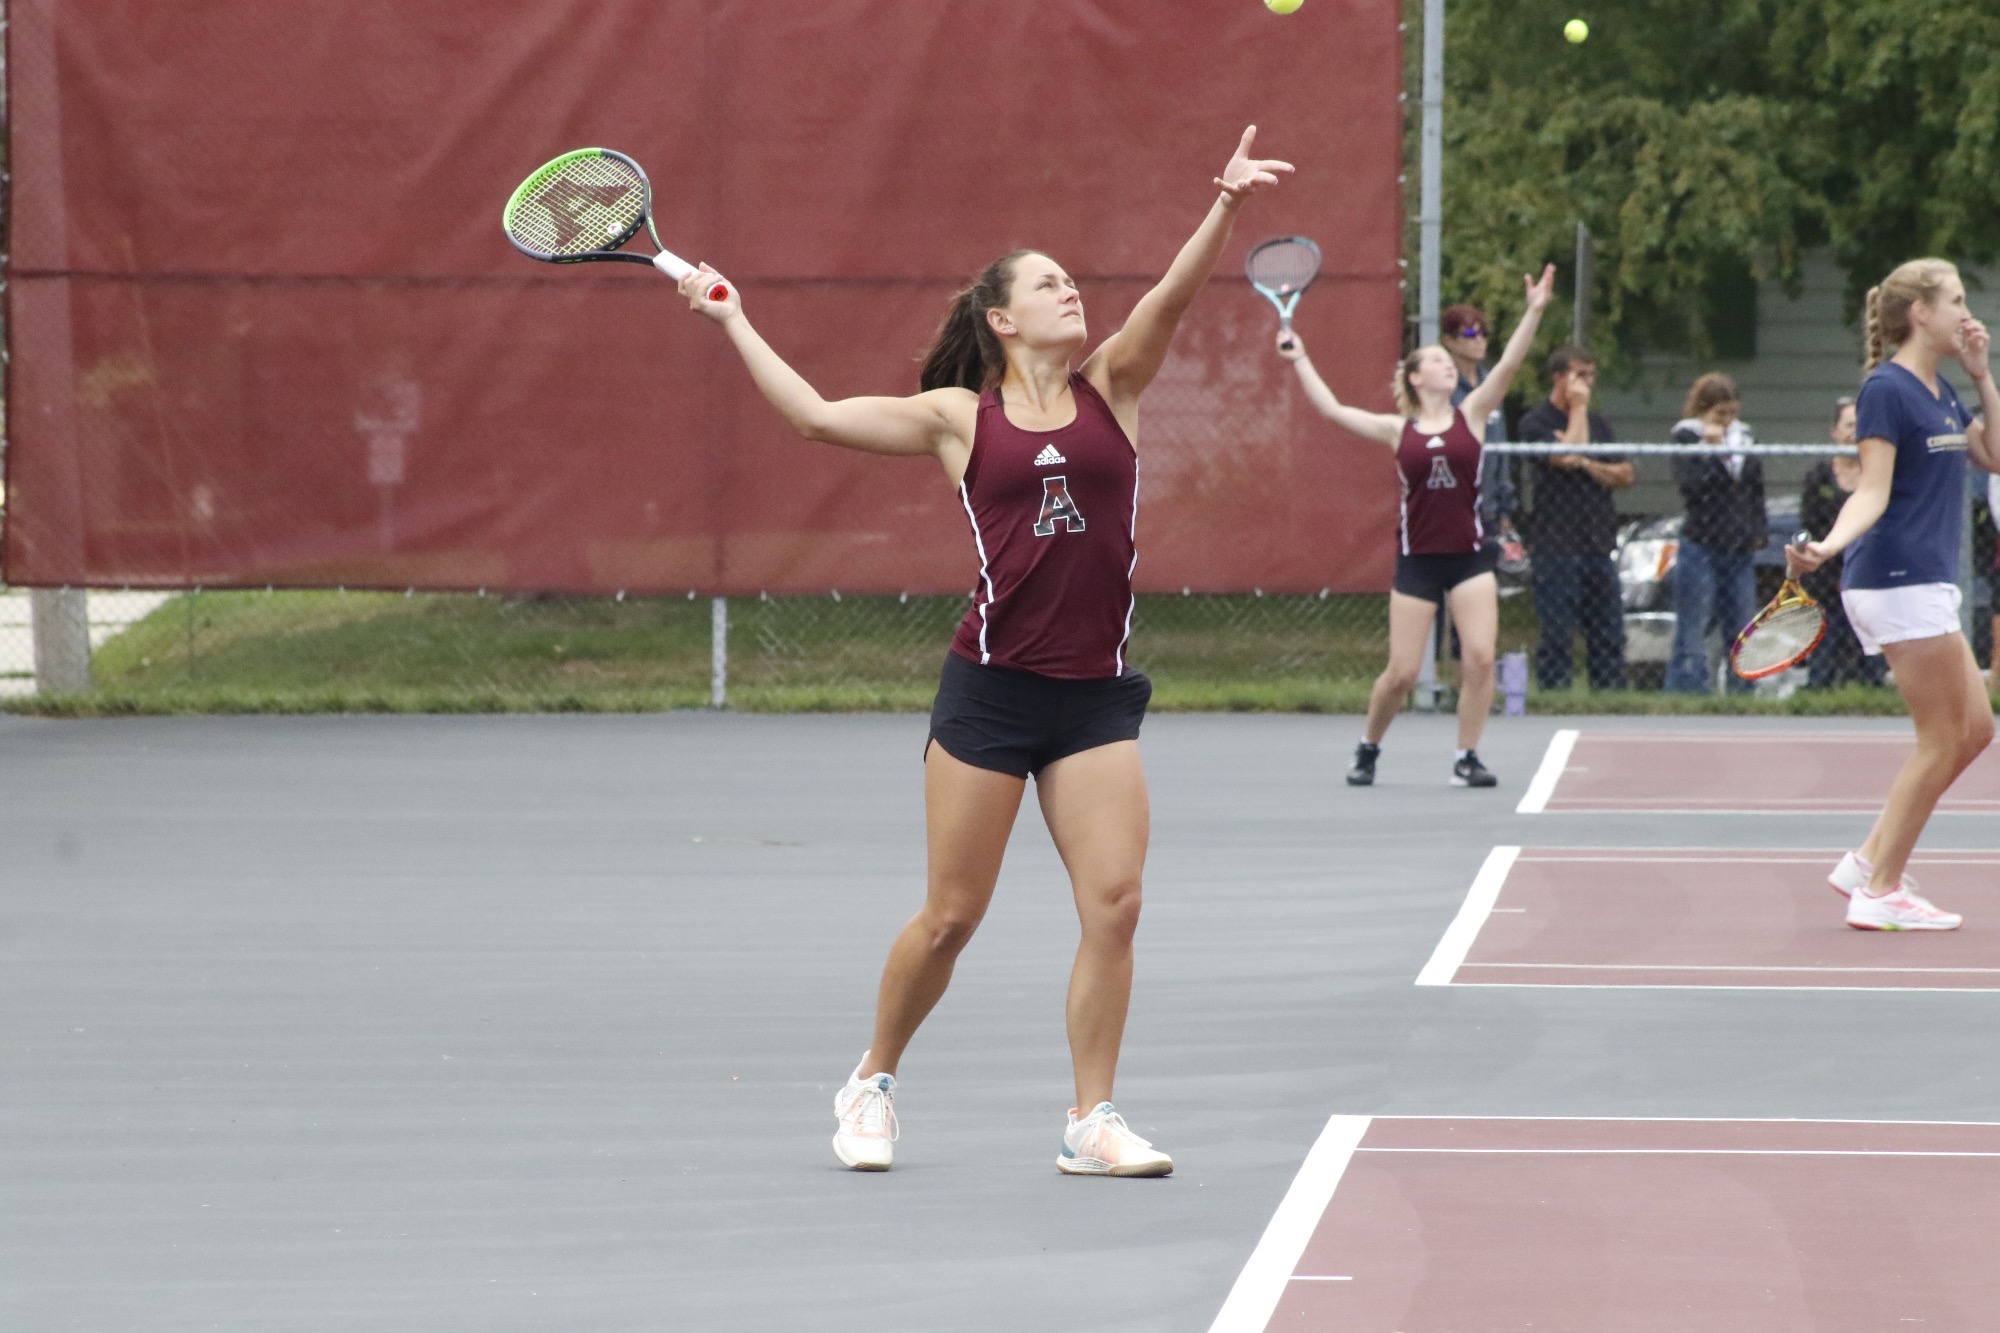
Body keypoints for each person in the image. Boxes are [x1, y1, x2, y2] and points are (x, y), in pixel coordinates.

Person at [671, 129, 1292, 1172]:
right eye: (1046, 286)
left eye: (1070, 282)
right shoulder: (958, 418)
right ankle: (871, 1079)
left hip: (1092, 699)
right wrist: (733, 320)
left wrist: (1222, 207)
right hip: (991, 696)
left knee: (1116, 902)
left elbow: (1170, 302)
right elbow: (818, 419)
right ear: (1001, 319)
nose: (1070, 294)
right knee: (953, 916)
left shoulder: (1114, 389)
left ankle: (1090, 1119)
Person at [1278, 266, 1556, 788]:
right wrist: (1301, 359)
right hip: (1419, 561)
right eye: (1435, 360)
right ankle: (1368, 746)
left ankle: (1466, 757)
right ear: (1414, 377)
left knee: (1479, 657)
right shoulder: (1396, 429)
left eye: (1448, 362)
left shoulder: (1472, 414)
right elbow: (1334, 411)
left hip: (1470, 555)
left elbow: (1511, 364)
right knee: (1402, 673)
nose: (1446, 366)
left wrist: (1535, 310)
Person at [1791, 258, 1998, 930]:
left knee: (1976, 731)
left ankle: (1866, 861)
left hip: (1925, 581)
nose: (1968, 314)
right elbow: (1872, 488)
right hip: (1894, 577)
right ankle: (1880, 890)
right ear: (1920, 313)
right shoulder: (1885, 389)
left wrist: (1982, 376)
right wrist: (1827, 543)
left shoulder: (1940, 391)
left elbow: (1993, 455)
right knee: (1941, 738)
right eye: (1957, 301)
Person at [1517, 347, 1633, 691]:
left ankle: (1609, 694)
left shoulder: (1599, 424)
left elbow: (1624, 474)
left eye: (1591, 376)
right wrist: (1578, 410)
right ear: (1559, 378)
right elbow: (1567, 454)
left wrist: (1587, 463)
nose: (1588, 383)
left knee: (1608, 630)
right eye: (1580, 375)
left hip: (1597, 540)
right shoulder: (1535, 422)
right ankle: (1555, 693)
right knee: (1557, 631)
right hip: (1556, 544)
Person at [1664, 374, 1765, 693]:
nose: (1726, 422)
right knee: (1693, 628)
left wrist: (1758, 528)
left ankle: (1741, 695)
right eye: (1719, 414)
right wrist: (1709, 449)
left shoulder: (1744, 439)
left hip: (1739, 545)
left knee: (1741, 627)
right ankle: (1688, 693)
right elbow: (1692, 486)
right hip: (1701, 544)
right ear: (1703, 411)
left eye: (1731, 413)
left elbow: (1754, 489)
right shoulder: (1686, 438)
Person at [1799, 396, 1885, 687]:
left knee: (1869, 651)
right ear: (1834, 431)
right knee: (1825, 649)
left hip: (1868, 572)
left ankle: (1870, 692)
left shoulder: (1878, 475)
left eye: (1860, 426)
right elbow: (1811, 523)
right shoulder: (1819, 477)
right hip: (1826, 575)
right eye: (1848, 425)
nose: (1853, 432)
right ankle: (1818, 691)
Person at [1442, 303, 1520, 538]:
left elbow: (1501, 449)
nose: (1479, 339)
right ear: (1449, 340)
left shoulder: (1491, 384)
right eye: (1469, 333)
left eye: (1483, 333)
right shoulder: (1443, 386)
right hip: (1452, 506)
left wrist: (1505, 509)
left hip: (1489, 510)